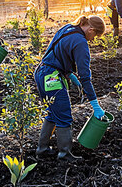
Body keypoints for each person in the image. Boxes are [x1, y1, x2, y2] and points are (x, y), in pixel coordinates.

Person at [34, 15, 106, 160]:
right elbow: (85, 77)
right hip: (51, 77)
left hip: (41, 72)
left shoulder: (68, 28)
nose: (93, 40)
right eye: (95, 35)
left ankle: (42, 149)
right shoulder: (81, 42)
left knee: (53, 112)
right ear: (91, 29)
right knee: (64, 114)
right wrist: (95, 105)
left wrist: (69, 73)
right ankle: (64, 154)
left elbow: (56, 51)